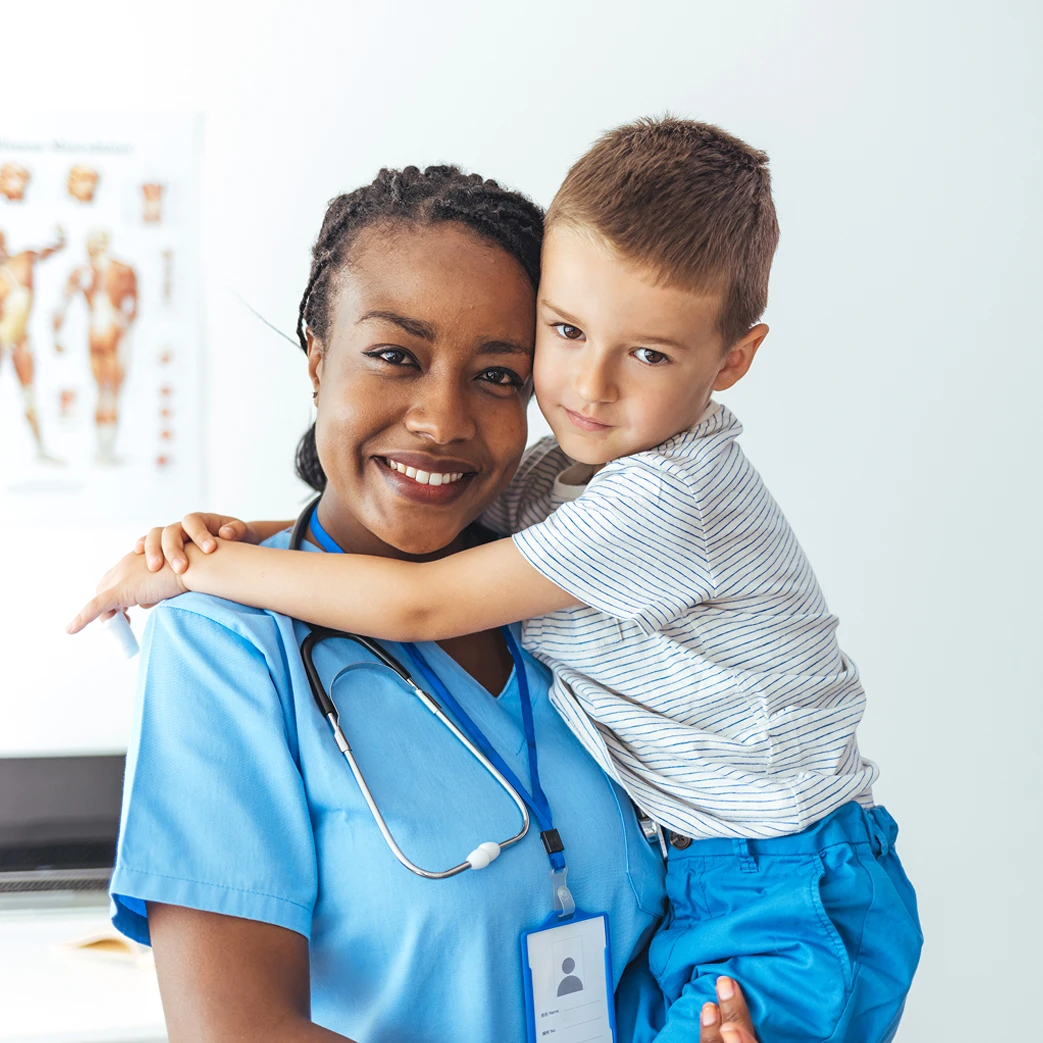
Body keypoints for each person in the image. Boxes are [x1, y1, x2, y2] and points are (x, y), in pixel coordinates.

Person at [76, 120, 923, 1042]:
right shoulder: (224, 643)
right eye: (395, 355)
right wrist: (227, 549)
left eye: (496, 373)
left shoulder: (561, 587)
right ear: (316, 355)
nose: (442, 419)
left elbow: (418, 597)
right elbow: (233, 1034)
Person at [53, 228, 138, 462]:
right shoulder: (83, 272)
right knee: (105, 392)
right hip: (98, 334)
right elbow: (63, 303)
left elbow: (133, 305)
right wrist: (57, 334)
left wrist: (123, 321)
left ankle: (107, 448)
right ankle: (103, 449)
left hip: (114, 332)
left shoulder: (122, 271)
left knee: (111, 392)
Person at [0, 226, 66, 460]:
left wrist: (59, 243)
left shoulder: (23, 260)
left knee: (29, 392)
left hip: (19, 339)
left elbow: (43, 252)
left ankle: (40, 448)